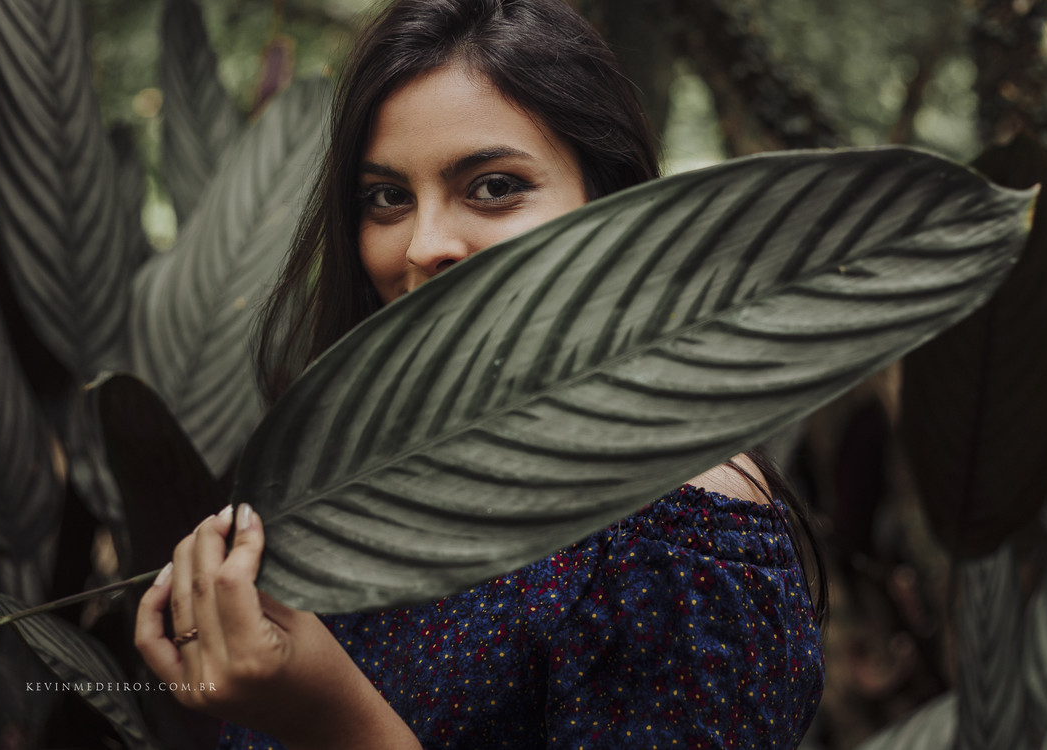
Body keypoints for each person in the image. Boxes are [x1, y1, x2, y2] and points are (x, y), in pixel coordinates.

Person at [134, 0, 826, 747]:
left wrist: (331, 720)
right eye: (388, 197)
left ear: (615, 207)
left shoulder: (674, 537)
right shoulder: (359, 483)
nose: (422, 245)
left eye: (493, 186)